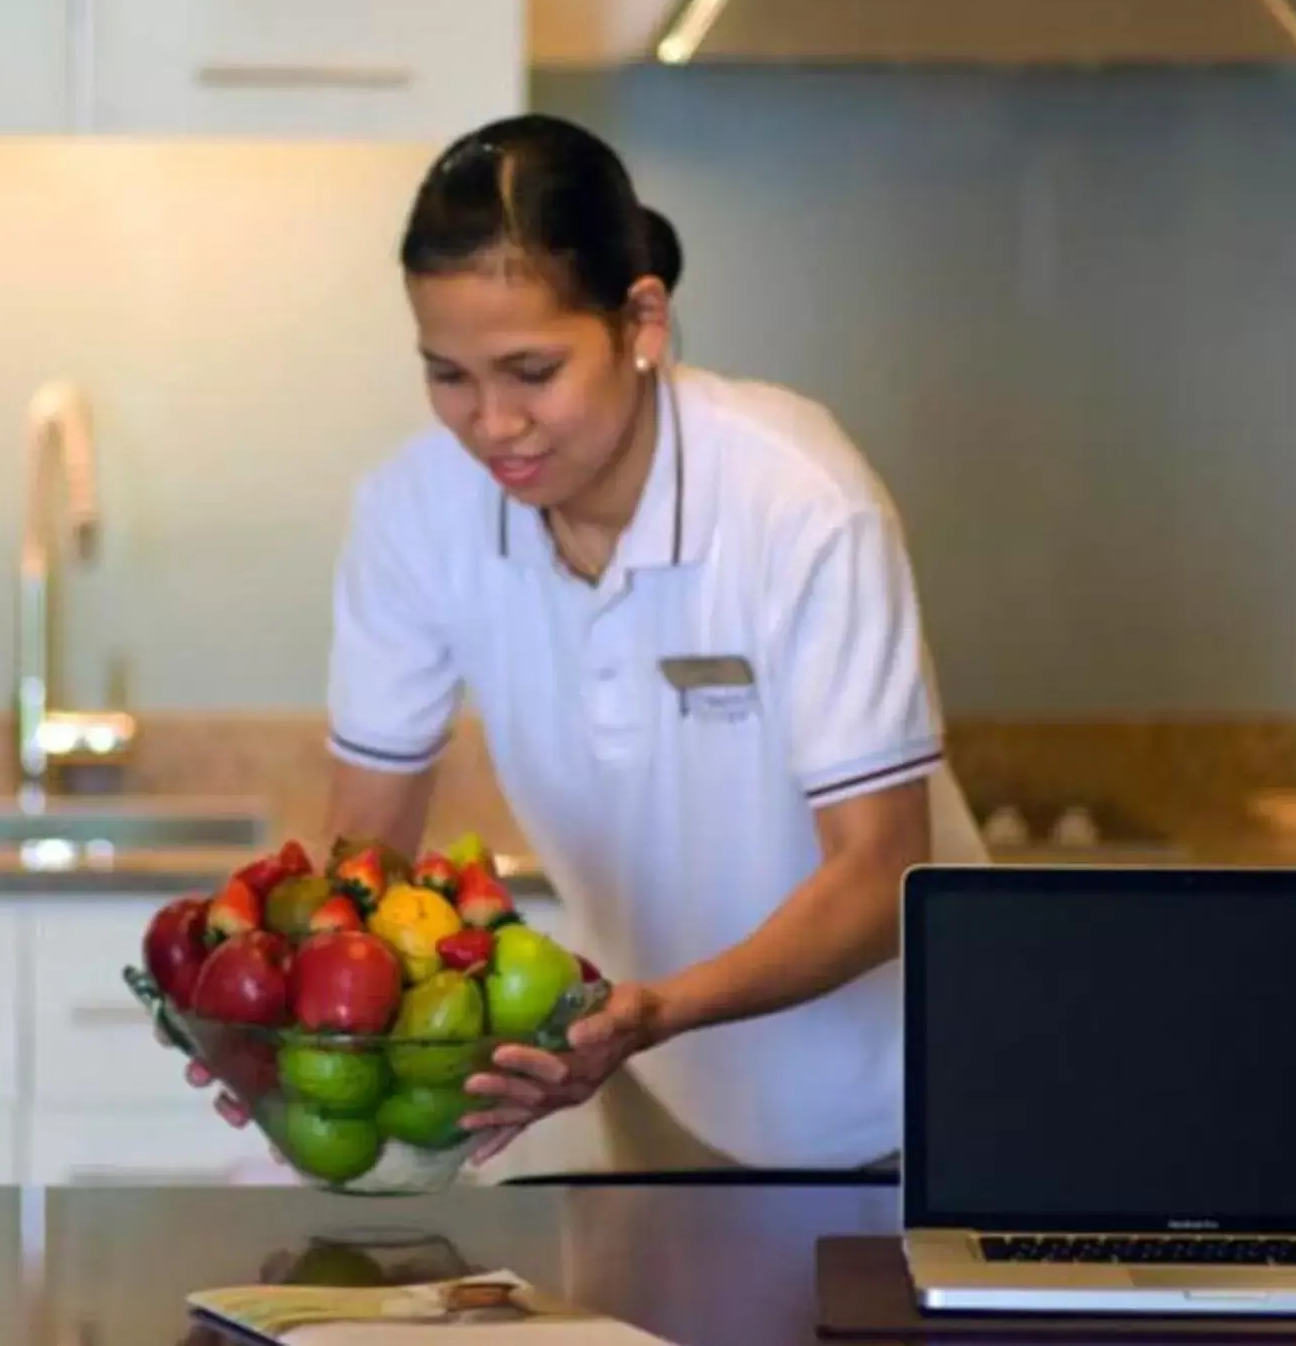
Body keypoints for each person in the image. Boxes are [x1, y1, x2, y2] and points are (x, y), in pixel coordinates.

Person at [197, 113, 986, 1175]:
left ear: (643, 320)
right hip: (672, 1101)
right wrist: (288, 1028)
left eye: (531, 368)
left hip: (929, 1111)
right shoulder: (414, 514)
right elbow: (364, 868)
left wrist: (655, 1007)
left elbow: (884, 872)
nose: (492, 423)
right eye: (450, 375)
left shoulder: (797, 496)